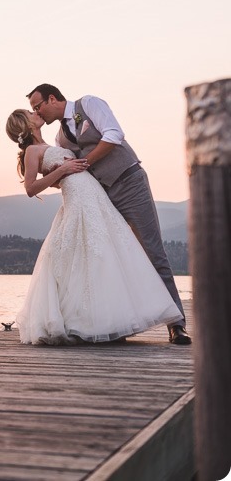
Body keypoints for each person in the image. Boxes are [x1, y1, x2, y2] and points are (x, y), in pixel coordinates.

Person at [25, 83, 191, 345]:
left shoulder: (88, 104)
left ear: (52, 98)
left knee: (151, 249)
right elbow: (65, 174)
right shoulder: (60, 139)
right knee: (110, 254)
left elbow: (114, 134)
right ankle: (112, 322)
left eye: (38, 106)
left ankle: (176, 324)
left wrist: (85, 163)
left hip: (128, 182)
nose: (37, 111)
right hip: (99, 195)